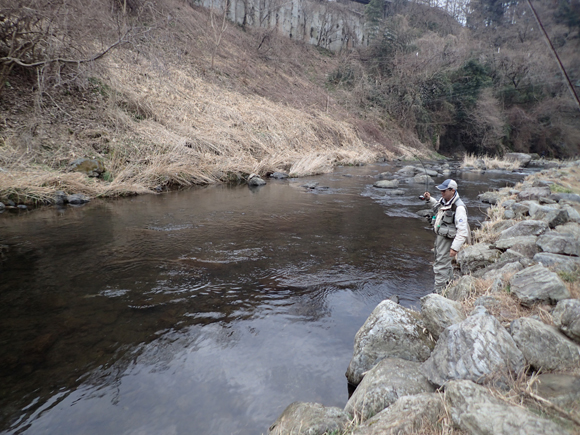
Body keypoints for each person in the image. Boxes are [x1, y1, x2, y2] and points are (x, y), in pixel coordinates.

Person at [423, 179, 469, 293]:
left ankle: (438, 293)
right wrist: (429, 199)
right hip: (440, 238)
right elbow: (437, 205)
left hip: (448, 241)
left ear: (452, 191)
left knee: (440, 265)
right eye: (441, 190)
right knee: (443, 263)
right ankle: (449, 285)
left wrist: (455, 248)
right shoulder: (445, 200)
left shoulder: (459, 208)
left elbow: (463, 231)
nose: (441, 192)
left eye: (444, 190)